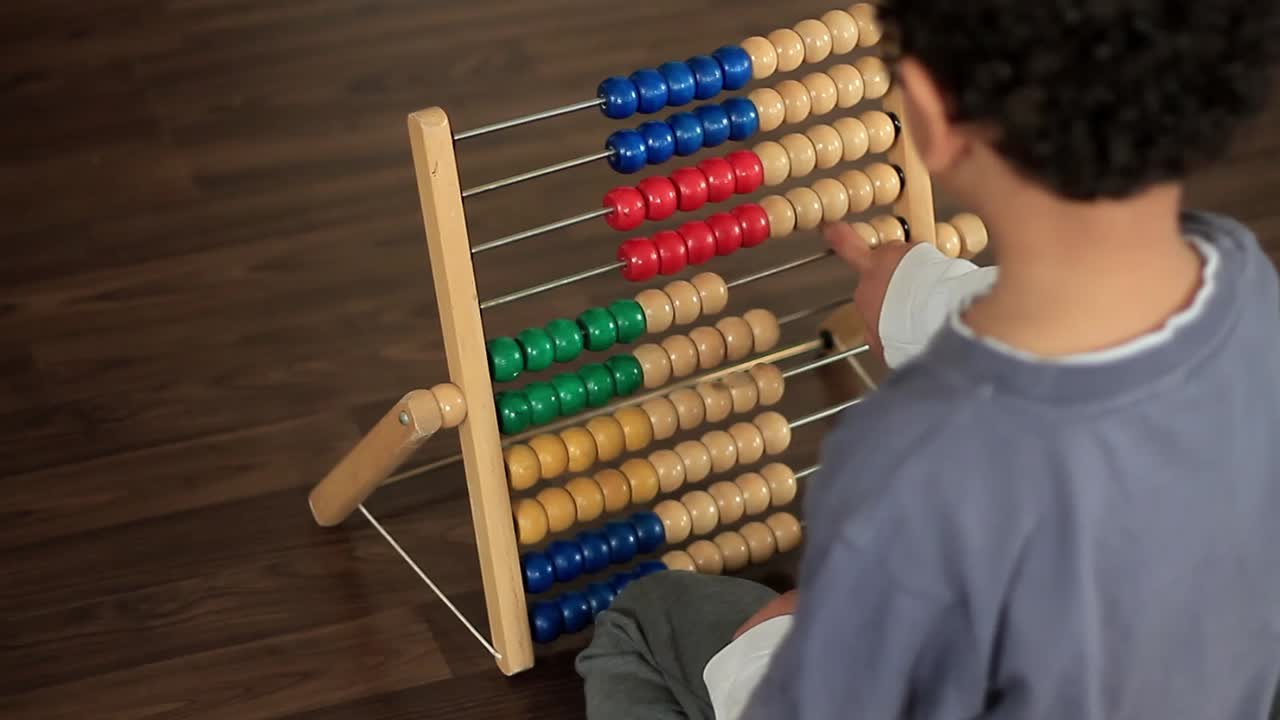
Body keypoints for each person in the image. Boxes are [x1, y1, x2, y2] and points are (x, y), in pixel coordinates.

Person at [578, 0, 1280, 717]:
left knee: (646, 618)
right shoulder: (1249, 290)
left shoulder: (916, 458)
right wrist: (915, 297)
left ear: (930, 113)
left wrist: (772, 646)